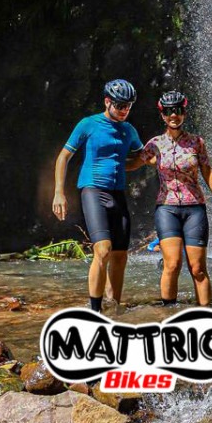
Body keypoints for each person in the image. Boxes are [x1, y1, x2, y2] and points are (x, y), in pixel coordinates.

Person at [129, 90, 212, 306]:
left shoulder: (197, 143)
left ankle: (206, 313)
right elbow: (134, 163)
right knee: (172, 265)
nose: (173, 115)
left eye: (177, 110)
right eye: (168, 111)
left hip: (194, 209)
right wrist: (105, 163)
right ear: (163, 115)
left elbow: (208, 172)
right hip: (166, 209)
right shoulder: (155, 144)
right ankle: (168, 314)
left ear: (184, 113)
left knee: (198, 268)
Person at [52, 79, 142, 312]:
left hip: (117, 194)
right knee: (103, 250)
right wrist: (59, 192)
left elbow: (138, 159)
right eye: (120, 105)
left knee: (120, 256)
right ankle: (95, 310)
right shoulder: (88, 124)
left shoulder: (129, 130)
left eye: (128, 106)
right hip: (93, 190)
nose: (124, 110)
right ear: (107, 101)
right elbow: (63, 157)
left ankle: (114, 308)